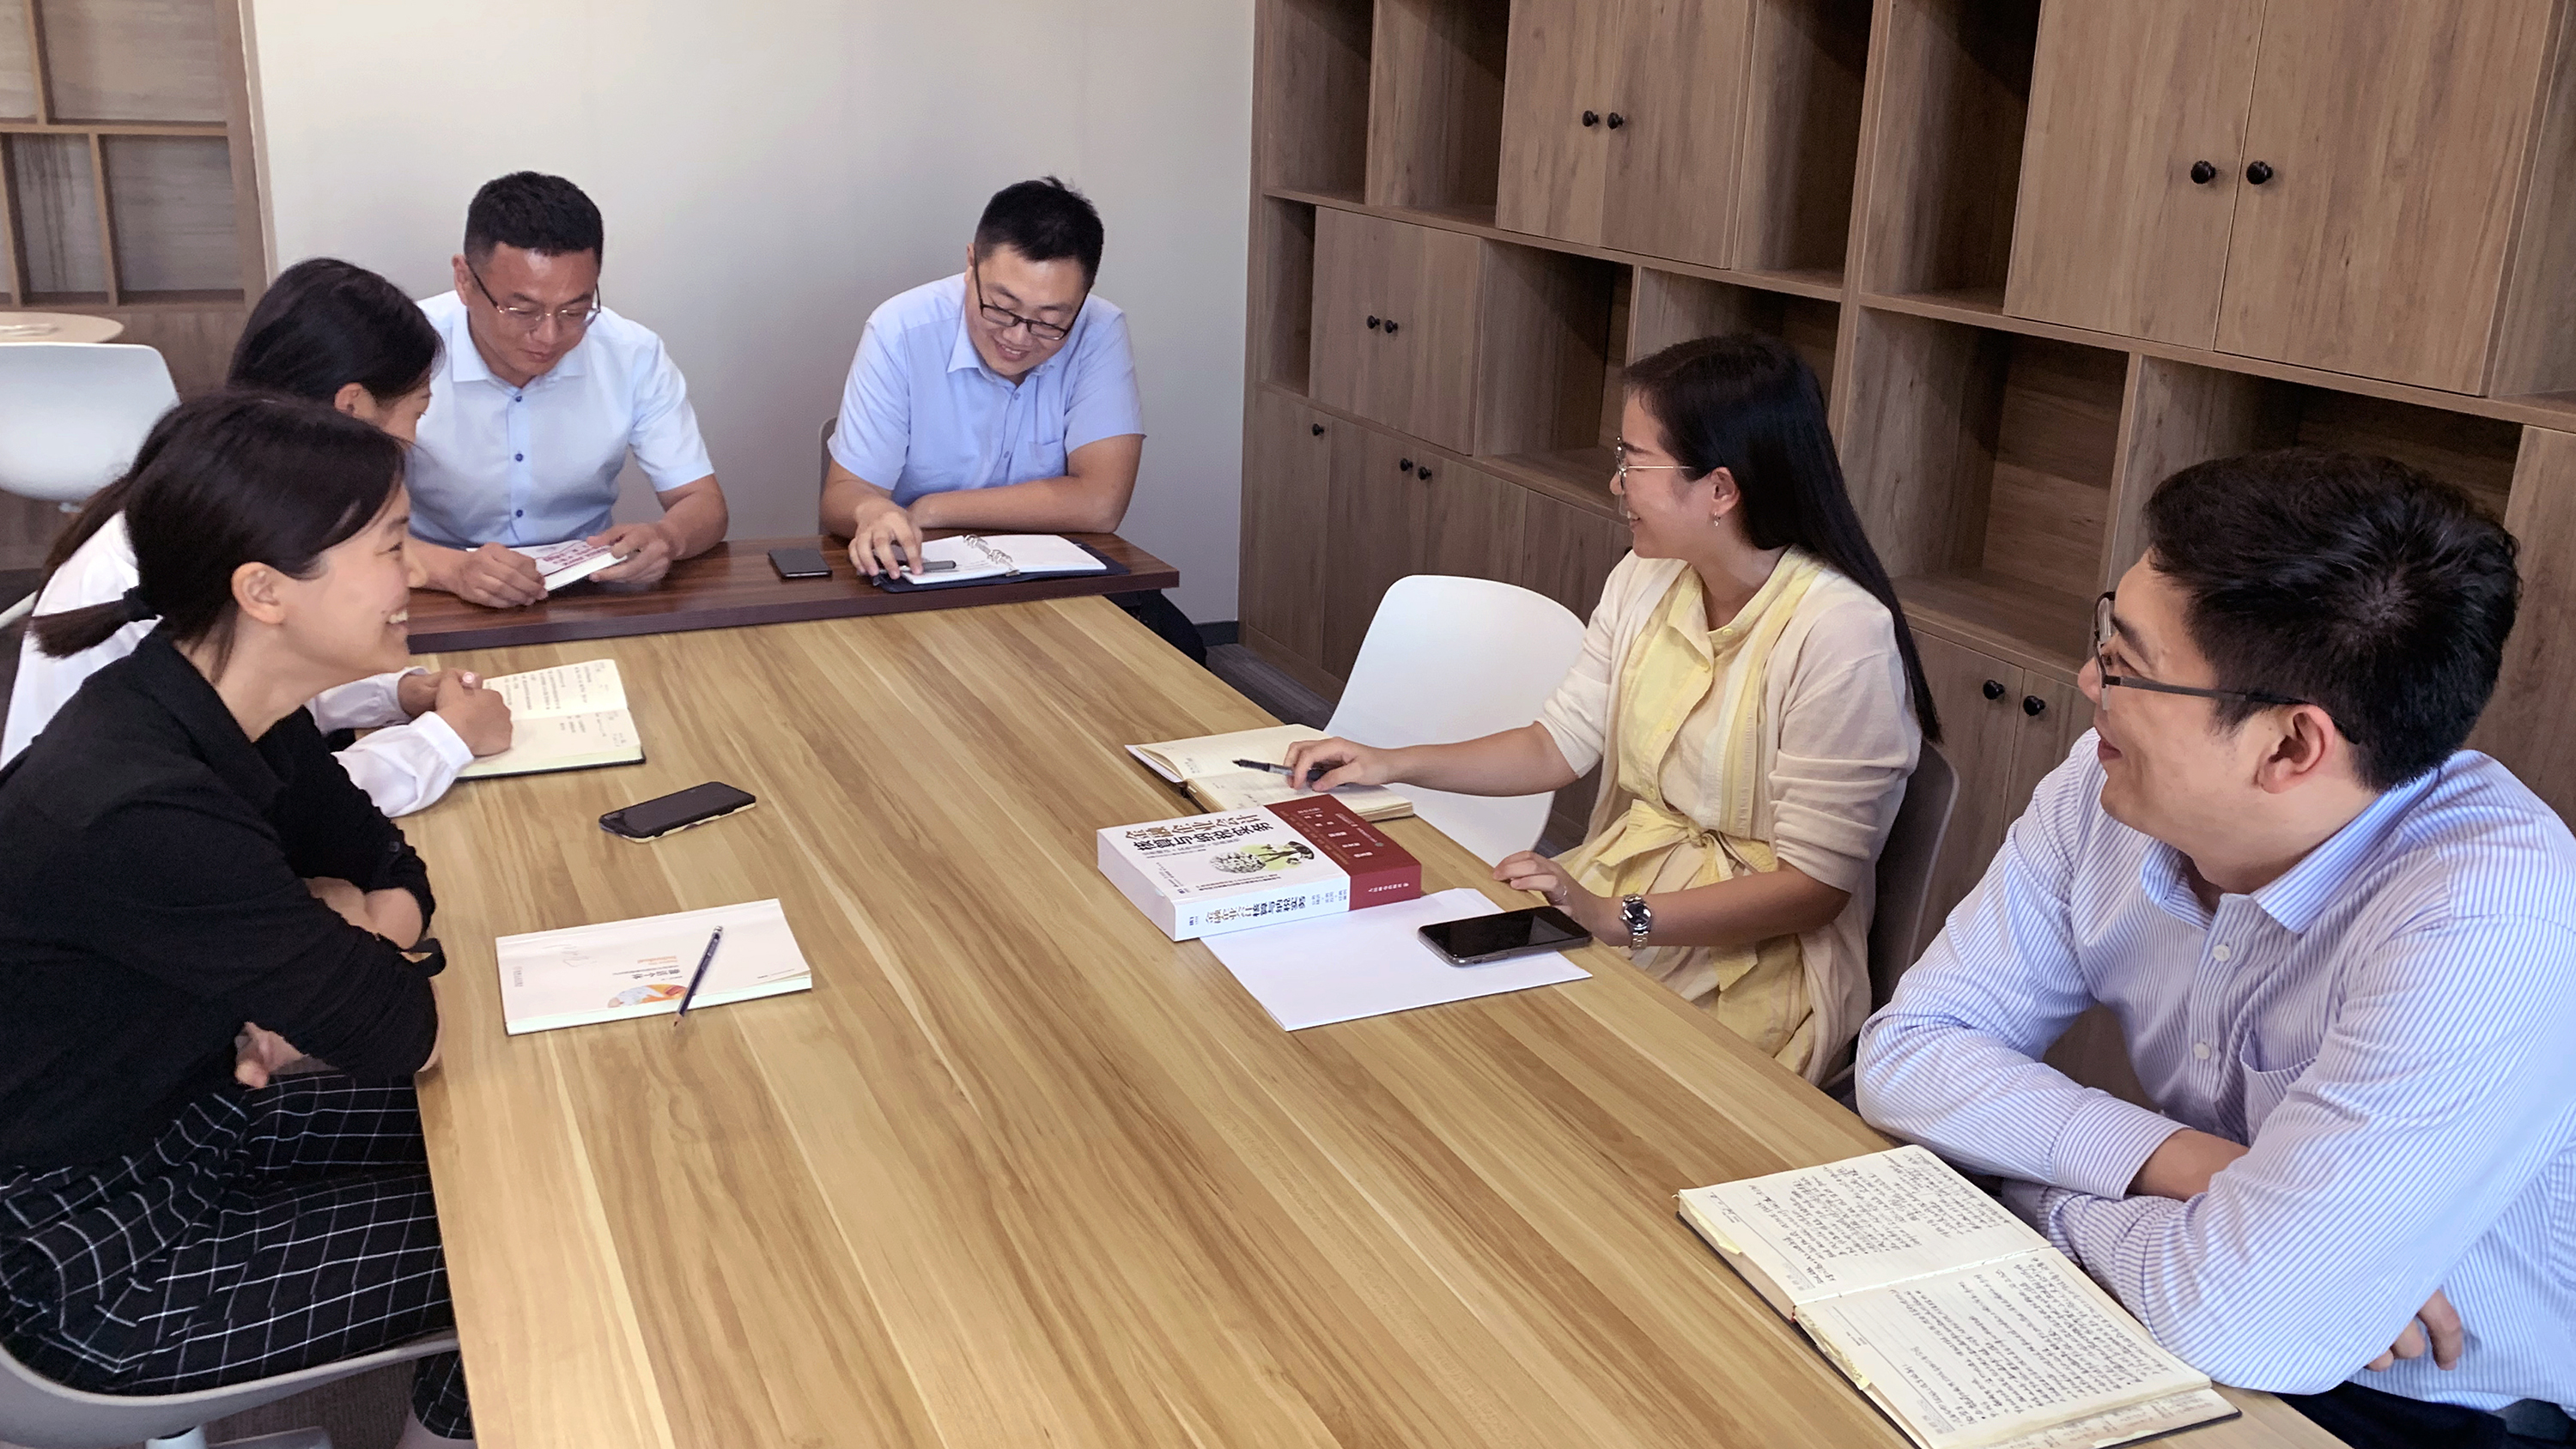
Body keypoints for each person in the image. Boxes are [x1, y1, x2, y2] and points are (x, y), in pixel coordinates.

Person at [1856, 450, 2575, 1447]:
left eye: (2127, 664)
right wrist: (2192, 1166)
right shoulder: (2104, 789)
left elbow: (2243, 1315)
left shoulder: (2490, 917)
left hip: (2422, 1396)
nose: (2088, 681)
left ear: (2290, 745)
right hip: (2173, 1301)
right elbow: (1906, 1053)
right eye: (2105, 636)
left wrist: (2025, 1188)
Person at [0, 392, 475, 1448]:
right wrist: (330, 951)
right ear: (264, 591)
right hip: (78, 1257)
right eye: (392, 545)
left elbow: (392, 868)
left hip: (188, 1116)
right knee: (520, 1230)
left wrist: (331, 939)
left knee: (511, 1131)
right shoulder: (141, 798)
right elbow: (404, 1025)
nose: (413, 572)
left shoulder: (226, 705)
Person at [1285, 335, 1935, 1081]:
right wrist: (1388, 762)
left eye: (1634, 461)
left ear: (1720, 489)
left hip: (1758, 968)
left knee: (1526, 1074)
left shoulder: (1841, 634)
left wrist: (1615, 918)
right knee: (1439, 1032)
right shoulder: (1646, 577)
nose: (1616, 483)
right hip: (1618, 894)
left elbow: (1812, 892)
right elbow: (1553, 745)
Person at [2, 258, 513, 815]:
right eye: (417, 412)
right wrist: (445, 741)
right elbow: (259, 801)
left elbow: (260, 692)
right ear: (351, 408)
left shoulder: (228, 492)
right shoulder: (208, 542)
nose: (411, 569)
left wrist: (392, 694)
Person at [821, 177, 1195, 659]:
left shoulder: (1100, 331)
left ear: (1084, 296)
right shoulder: (901, 330)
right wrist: (872, 510)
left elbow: (1102, 502)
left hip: (1051, 587)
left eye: (1051, 321)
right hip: (922, 583)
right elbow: (844, 494)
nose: (1018, 338)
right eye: (1001, 308)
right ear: (971, 263)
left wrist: (930, 509)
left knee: (1176, 652)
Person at [405, 171, 728, 608]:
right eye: (522, 310)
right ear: (464, 279)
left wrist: (668, 538)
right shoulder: (401, 349)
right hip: (437, 588)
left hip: (587, 590)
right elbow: (340, 532)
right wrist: (453, 570)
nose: (549, 335)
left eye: (575, 311)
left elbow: (702, 502)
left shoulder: (630, 353)